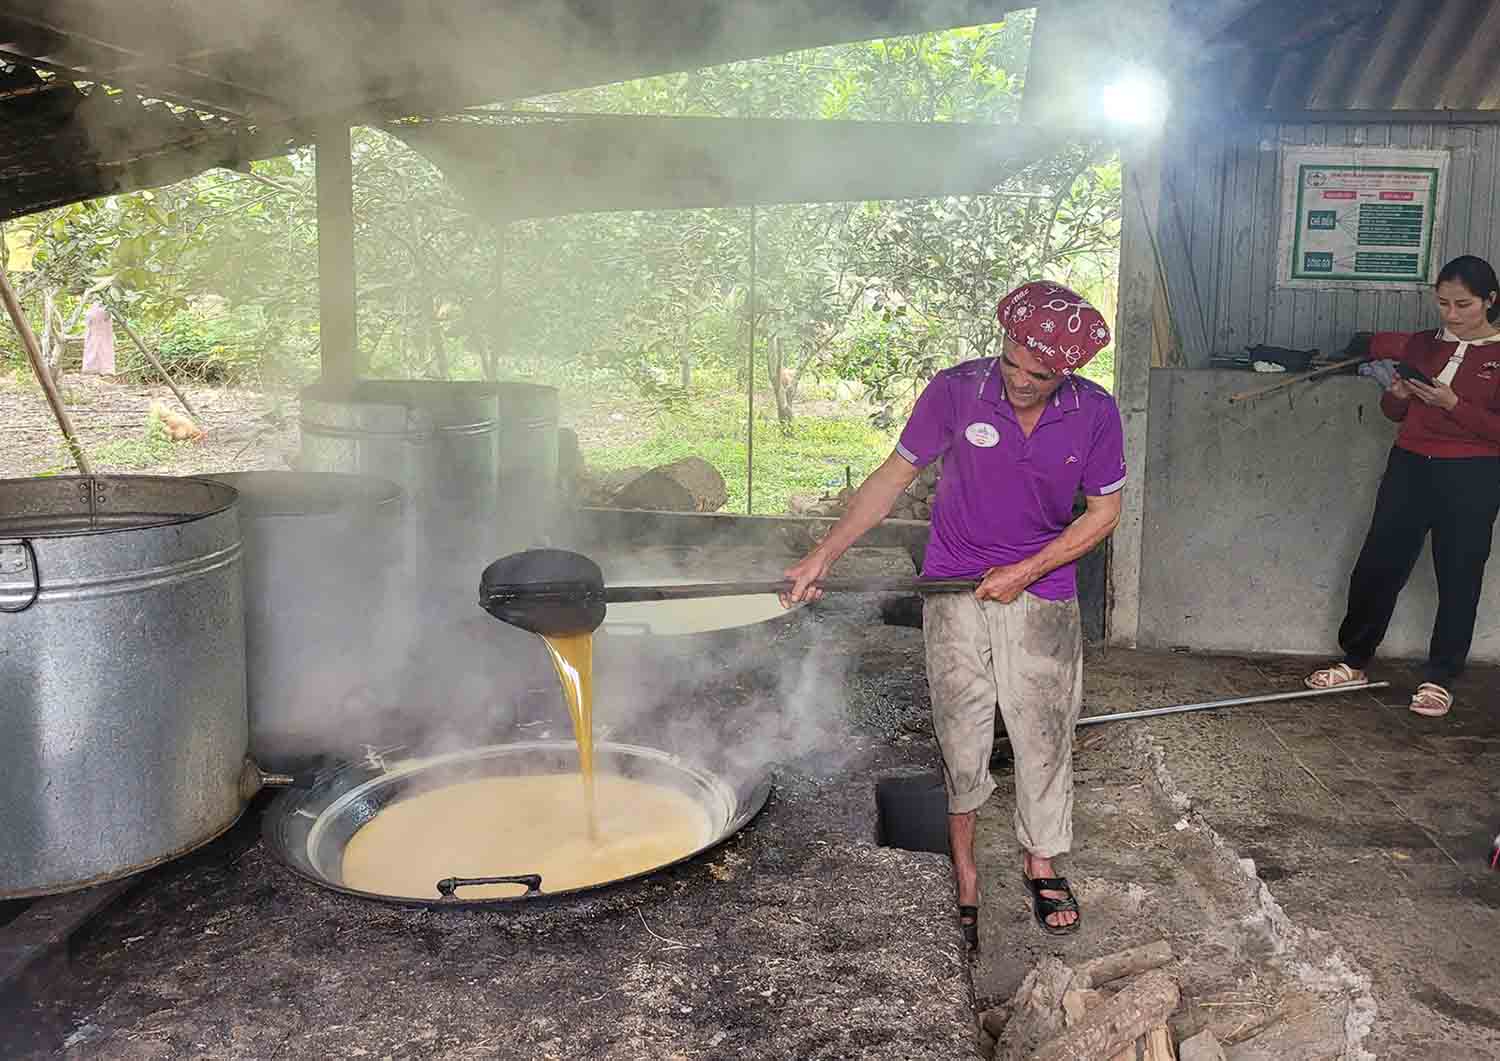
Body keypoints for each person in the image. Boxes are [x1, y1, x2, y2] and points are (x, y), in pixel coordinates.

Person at [783, 281, 1124, 945]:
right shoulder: (956, 390)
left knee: (1045, 731)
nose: (1022, 381)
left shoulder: (1095, 412)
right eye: (1012, 363)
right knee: (961, 728)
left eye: (1041, 374)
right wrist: (824, 553)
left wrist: (1027, 571)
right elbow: (891, 476)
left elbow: (1105, 512)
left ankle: (1040, 858)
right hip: (953, 586)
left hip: (1042, 591)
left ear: (1069, 371)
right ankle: (964, 868)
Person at [1307, 255, 1500, 717]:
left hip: (1473, 474)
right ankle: (1355, 660)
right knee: (1379, 563)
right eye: (1442, 303)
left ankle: (1440, 677)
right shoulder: (1421, 345)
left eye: (1463, 305)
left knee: (1459, 574)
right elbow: (1394, 415)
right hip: (1410, 463)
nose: (1450, 314)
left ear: (1490, 301)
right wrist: (1394, 396)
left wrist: (1453, 403)